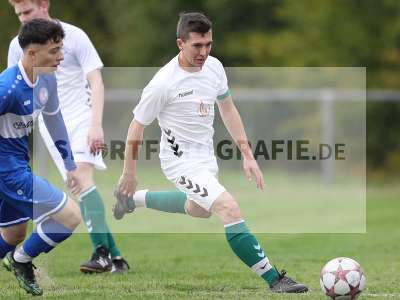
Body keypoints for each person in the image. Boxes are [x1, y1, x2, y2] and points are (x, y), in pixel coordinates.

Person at [114, 12, 308, 293]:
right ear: (180, 43)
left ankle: (132, 200)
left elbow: (227, 108)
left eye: (208, 44)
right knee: (228, 208)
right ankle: (274, 279)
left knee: (199, 210)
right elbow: (136, 127)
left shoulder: (215, 68)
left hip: (206, 158)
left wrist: (247, 154)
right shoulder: (163, 83)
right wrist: (128, 173)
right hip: (180, 163)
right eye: (197, 46)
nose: (204, 52)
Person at [7, 0, 129, 274]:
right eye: (19, 14)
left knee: (83, 181)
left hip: (82, 119)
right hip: (51, 125)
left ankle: (101, 256)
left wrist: (96, 125)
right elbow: (16, 86)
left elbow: (95, 81)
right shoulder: (18, 44)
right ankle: (117, 257)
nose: (23, 19)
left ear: (44, 5)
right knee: (80, 189)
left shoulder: (74, 36)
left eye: (27, 12)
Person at [0, 19, 82, 296]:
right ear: (32, 53)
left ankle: (16, 252)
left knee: (14, 235)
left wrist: (70, 165)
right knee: (70, 216)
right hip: (7, 172)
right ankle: (21, 261)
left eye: (61, 49)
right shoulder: (7, 88)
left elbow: (55, 120)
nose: (60, 56)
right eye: (54, 51)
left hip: (18, 165)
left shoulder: (46, 79)